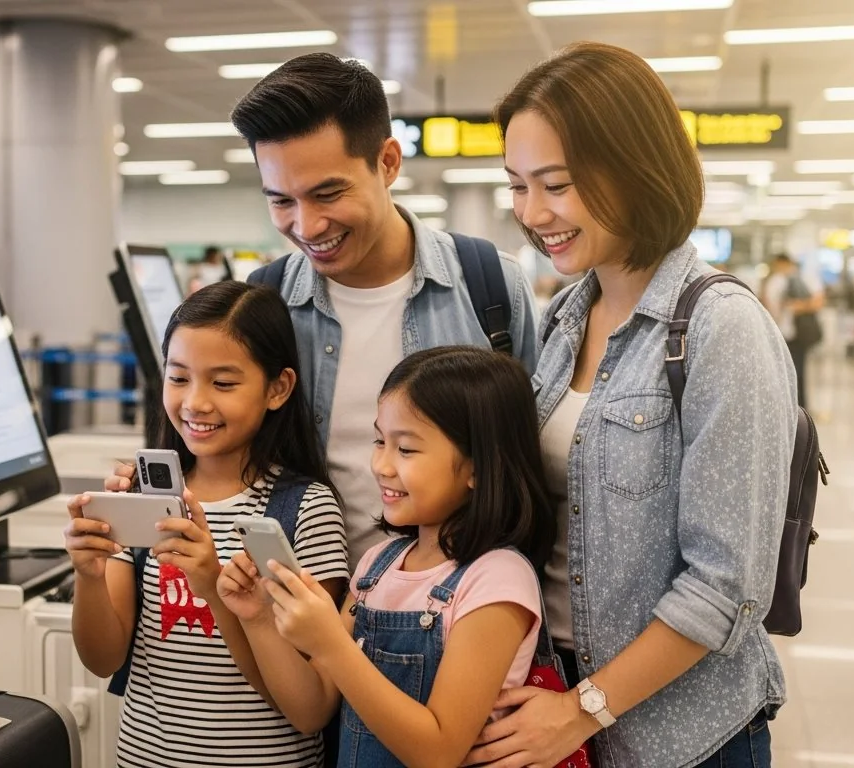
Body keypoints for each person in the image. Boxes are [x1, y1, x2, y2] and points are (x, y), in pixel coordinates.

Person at [467, 41, 796, 768]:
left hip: (685, 738)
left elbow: (725, 585)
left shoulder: (721, 329)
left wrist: (585, 709)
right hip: (557, 709)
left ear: (635, 166)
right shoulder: (559, 322)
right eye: (518, 185)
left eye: (555, 184)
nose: (532, 212)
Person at [110, 53, 541, 566]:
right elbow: (227, 458)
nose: (307, 226)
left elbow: (527, 467)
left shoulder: (488, 285)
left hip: (460, 614)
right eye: (281, 201)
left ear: (387, 162)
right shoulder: (265, 303)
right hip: (296, 615)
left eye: (327, 193)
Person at [217, 346, 556, 768]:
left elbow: (439, 751)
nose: (381, 465)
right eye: (380, 440)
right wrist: (258, 620)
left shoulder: (497, 578)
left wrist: (333, 645)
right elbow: (310, 711)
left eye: (407, 450)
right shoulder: (376, 565)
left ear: (479, 468)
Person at [64, 281, 348, 768]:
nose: (195, 402)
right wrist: (88, 575)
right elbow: (102, 659)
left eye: (223, 383)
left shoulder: (306, 509)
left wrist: (213, 587)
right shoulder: (139, 498)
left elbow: (307, 710)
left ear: (277, 388)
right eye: (179, 378)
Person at [762, 254, 824, 408]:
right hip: (789, 334)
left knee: (791, 374)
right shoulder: (781, 280)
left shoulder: (785, 280)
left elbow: (769, 307)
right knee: (795, 374)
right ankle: (798, 409)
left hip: (788, 334)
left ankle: (794, 409)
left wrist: (795, 306)